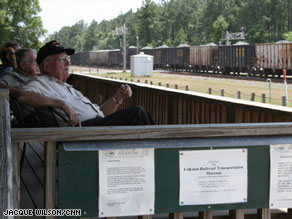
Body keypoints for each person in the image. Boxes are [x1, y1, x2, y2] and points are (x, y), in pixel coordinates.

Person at [19, 40, 154, 127]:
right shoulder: (41, 83)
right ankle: (161, 158)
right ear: (46, 66)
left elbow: (101, 114)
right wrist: (61, 103)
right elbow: (23, 97)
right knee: (137, 113)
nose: (68, 63)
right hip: (82, 133)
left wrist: (118, 97)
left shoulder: (66, 87)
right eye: (61, 60)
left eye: (68, 59)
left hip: (94, 127)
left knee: (139, 114)